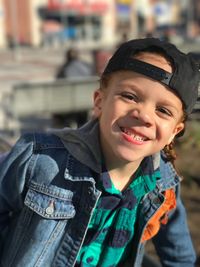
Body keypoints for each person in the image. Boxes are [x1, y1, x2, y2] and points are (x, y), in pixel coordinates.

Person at [0, 38, 199, 267]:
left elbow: (180, 257)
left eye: (163, 110)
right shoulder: (39, 159)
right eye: (130, 96)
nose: (144, 115)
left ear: (175, 131)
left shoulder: (163, 186)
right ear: (99, 101)